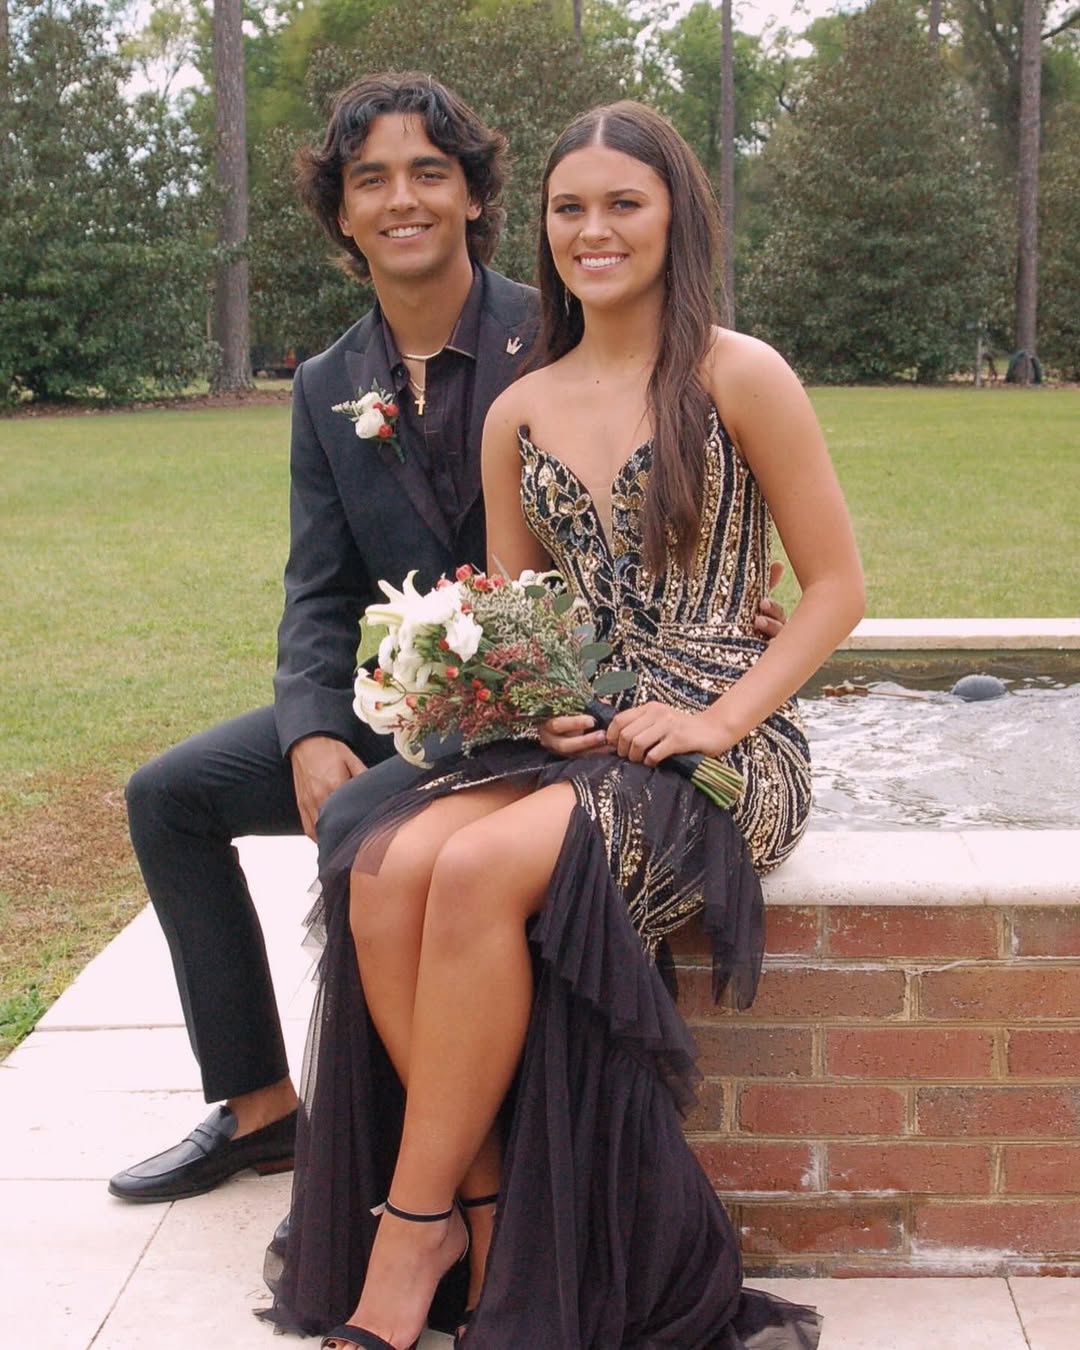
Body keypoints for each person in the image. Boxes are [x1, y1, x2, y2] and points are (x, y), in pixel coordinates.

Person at [107, 70, 793, 1206]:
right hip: (407, 700)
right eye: (370, 180)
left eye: (429, 173)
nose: (402, 200)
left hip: (552, 710)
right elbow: (319, 588)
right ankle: (259, 1108)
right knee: (169, 796)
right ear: (341, 212)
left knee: (379, 845)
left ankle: (423, 1168)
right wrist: (310, 730)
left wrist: (725, 609)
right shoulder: (328, 383)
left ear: (475, 197)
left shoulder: (563, 325)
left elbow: (691, 479)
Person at [264, 101, 863, 1349]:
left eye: (623, 204)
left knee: (478, 868)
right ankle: (479, 1208)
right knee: (385, 866)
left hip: (720, 740)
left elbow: (837, 591)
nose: (595, 230)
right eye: (570, 208)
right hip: (581, 728)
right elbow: (519, 614)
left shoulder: (738, 374)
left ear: (676, 216)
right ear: (540, 226)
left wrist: (719, 718)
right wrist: (522, 700)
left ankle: (410, 1232)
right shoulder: (520, 409)